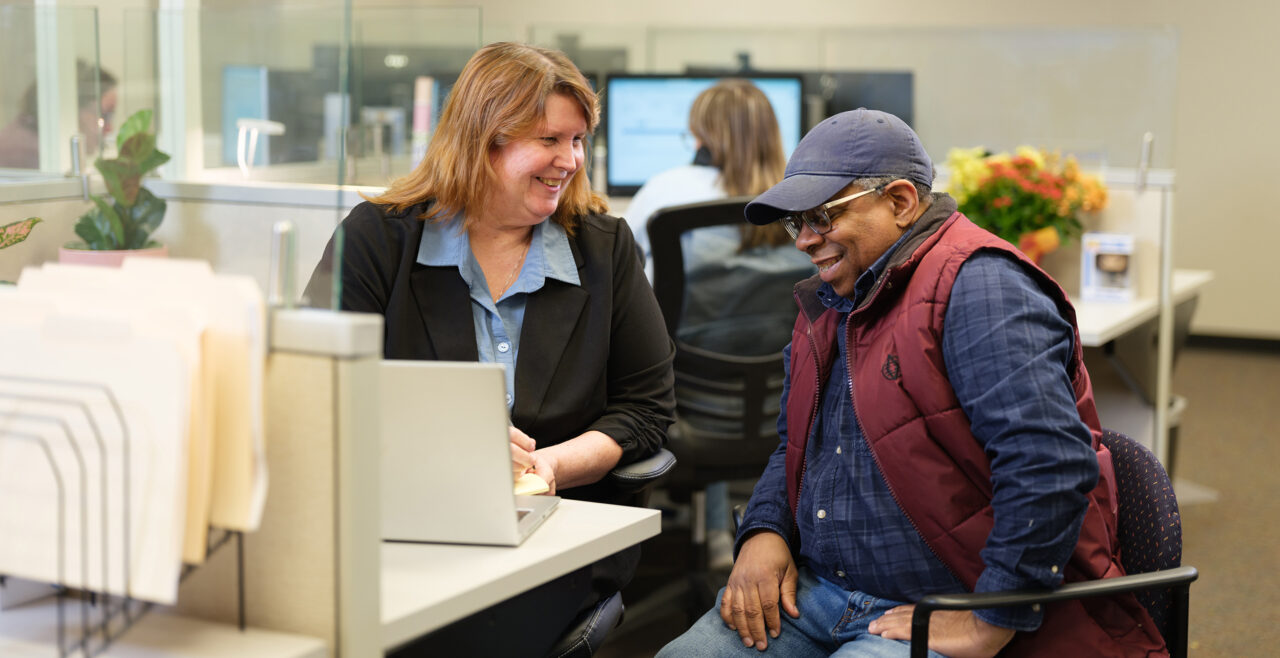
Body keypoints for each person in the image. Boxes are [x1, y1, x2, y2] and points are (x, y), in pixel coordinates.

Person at [658, 108, 1167, 657]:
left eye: (822, 218)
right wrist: (765, 529)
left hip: (947, 598)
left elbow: (1048, 463)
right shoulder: (833, 297)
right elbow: (798, 446)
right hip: (821, 592)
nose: (804, 241)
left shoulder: (981, 287)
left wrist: (989, 620)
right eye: (795, 223)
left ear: (900, 201)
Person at [303, 42, 675, 656]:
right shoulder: (381, 239)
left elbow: (645, 409)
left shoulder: (604, 248)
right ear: (484, 139)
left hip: (559, 533)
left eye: (578, 141)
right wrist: (442, 445)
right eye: (550, 140)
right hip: (404, 525)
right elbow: (318, 393)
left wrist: (549, 466)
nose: (570, 161)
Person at [624, 79, 814, 570]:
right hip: (785, 405)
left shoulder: (665, 192)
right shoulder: (806, 205)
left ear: (699, 133)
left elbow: (632, 303)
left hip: (688, 407)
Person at [0, 60, 118, 170]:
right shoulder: (26, 153)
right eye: (104, 115)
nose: (108, 128)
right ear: (71, 109)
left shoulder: (37, 144)